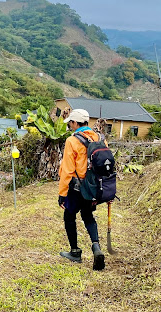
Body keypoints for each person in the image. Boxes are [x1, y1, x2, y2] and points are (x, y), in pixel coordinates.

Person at [58, 108, 105, 270]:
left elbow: (67, 170)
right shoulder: (99, 138)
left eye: (70, 123)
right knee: (88, 216)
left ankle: (75, 252)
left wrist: (62, 194)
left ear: (75, 123)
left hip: (77, 188)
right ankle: (96, 247)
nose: (70, 126)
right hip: (95, 188)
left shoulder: (72, 141)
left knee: (69, 216)